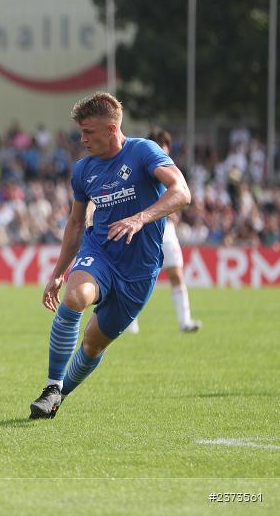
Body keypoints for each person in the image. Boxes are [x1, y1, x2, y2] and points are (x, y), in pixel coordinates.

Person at [29, 92, 191, 419]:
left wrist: (141, 217)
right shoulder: (83, 170)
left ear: (113, 129)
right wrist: (59, 272)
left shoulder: (143, 151)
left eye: (89, 132)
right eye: (81, 132)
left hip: (139, 271)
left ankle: (58, 396)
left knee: (92, 344)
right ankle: (51, 385)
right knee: (76, 297)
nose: (82, 139)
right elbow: (76, 222)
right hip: (99, 252)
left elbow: (182, 192)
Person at [126, 129, 201, 334]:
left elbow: (181, 196)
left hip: (166, 231)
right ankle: (129, 322)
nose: (161, 154)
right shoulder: (139, 170)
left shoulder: (170, 171)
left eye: (165, 150)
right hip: (144, 229)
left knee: (176, 273)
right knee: (137, 278)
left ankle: (185, 321)